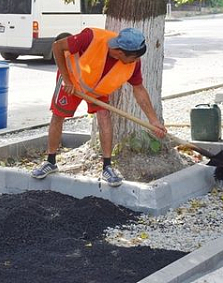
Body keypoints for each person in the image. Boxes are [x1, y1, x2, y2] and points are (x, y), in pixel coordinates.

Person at [31, 27, 167, 187]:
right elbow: (57, 46)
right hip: (72, 81)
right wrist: (67, 80)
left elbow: (139, 89)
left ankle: (107, 167)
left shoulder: (133, 62)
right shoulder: (90, 38)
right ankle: (51, 161)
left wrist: (153, 120)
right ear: (120, 52)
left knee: (104, 118)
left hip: (97, 89)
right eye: (133, 58)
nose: (135, 62)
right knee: (57, 116)